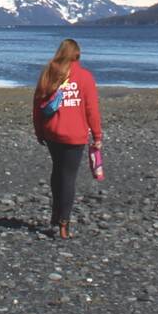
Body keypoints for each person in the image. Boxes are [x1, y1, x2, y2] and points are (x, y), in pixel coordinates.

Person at [31, 38, 102, 237]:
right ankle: (64, 223)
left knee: (58, 171)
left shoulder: (48, 73)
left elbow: (37, 105)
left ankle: (56, 215)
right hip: (75, 134)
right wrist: (97, 135)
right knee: (68, 176)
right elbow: (91, 110)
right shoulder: (85, 77)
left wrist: (38, 130)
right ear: (77, 54)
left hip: (52, 132)